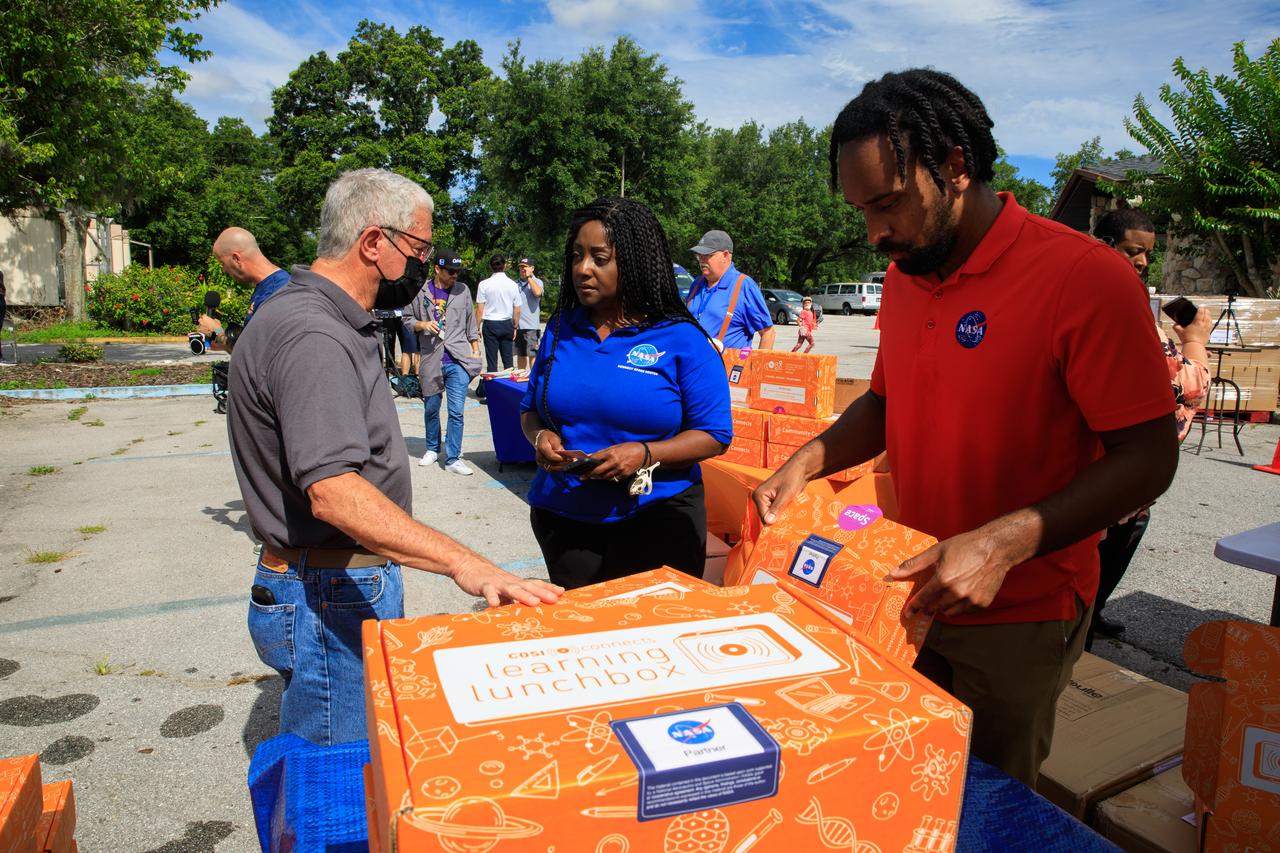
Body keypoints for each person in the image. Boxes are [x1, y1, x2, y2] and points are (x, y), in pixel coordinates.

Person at [752, 69, 1178, 785]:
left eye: (887, 203)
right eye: (861, 211)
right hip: (910, 594)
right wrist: (806, 460)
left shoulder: (1085, 277)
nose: (875, 233)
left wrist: (1003, 542)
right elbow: (886, 401)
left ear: (954, 167)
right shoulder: (907, 273)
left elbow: (1149, 456)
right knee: (905, 782)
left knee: (989, 807)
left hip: (1021, 613)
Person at [227, 168, 561, 746]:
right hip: (329, 594)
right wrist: (466, 563)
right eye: (418, 248)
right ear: (373, 243)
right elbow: (332, 491)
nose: (422, 268)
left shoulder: (309, 315)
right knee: (344, 786)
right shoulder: (315, 335)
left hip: (323, 581)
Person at [519, 197, 732, 590]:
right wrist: (540, 437)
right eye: (577, 256)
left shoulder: (682, 338)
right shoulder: (561, 328)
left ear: (633, 262)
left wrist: (645, 454)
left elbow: (714, 435)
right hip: (564, 520)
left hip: (657, 520)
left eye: (599, 258)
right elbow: (530, 410)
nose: (583, 269)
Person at [1087, 208, 1210, 642]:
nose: (1141, 263)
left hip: (1102, 463)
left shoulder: (1081, 292)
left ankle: (1085, 618)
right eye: (1132, 251)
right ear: (1102, 244)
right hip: (1109, 468)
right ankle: (1081, 623)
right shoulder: (1115, 304)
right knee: (1104, 539)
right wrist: (1195, 341)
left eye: (1146, 255)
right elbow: (1186, 382)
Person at [410, 247, 482, 476]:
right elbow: (406, 320)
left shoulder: (462, 291)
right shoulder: (421, 291)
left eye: (457, 271)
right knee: (431, 408)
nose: (455, 276)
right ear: (437, 269)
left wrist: (476, 351)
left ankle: (453, 458)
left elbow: (471, 324)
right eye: (450, 271)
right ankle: (432, 448)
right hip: (431, 359)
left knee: (456, 412)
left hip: (458, 360)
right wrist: (422, 325)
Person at [197, 227, 290, 352]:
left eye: (222, 263)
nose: (224, 270)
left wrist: (218, 333)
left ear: (236, 258)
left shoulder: (278, 292)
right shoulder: (266, 286)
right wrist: (223, 343)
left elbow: (256, 355)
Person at [684, 230, 775, 351]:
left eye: (707, 255)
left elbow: (768, 333)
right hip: (692, 366)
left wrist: (758, 368)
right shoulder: (697, 283)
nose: (701, 260)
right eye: (699, 255)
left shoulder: (744, 285)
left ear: (725, 255)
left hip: (725, 368)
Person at [476, 254, 521, 373]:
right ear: (504, 266)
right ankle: (507, 388)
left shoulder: (484, 284)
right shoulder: (513, 284)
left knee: (491, 361)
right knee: (508, 361)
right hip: (507, 324)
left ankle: (491, 389)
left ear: (491, 267)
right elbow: (517, 309)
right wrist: (515, 326)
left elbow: (480, 309)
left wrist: (477, 327)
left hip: (490, 324)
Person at [515, 256, 543, 370]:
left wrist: (529, 278)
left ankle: (533, 380)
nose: (522, 269)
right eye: (521, 267)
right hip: (519, 326)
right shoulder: (515, 284)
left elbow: (537, 293)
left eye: (525, 267)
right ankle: (521, 378)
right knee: (521, 355)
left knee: (532, 355)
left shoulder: (537, 282)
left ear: (532, 268)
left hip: (531, 326)